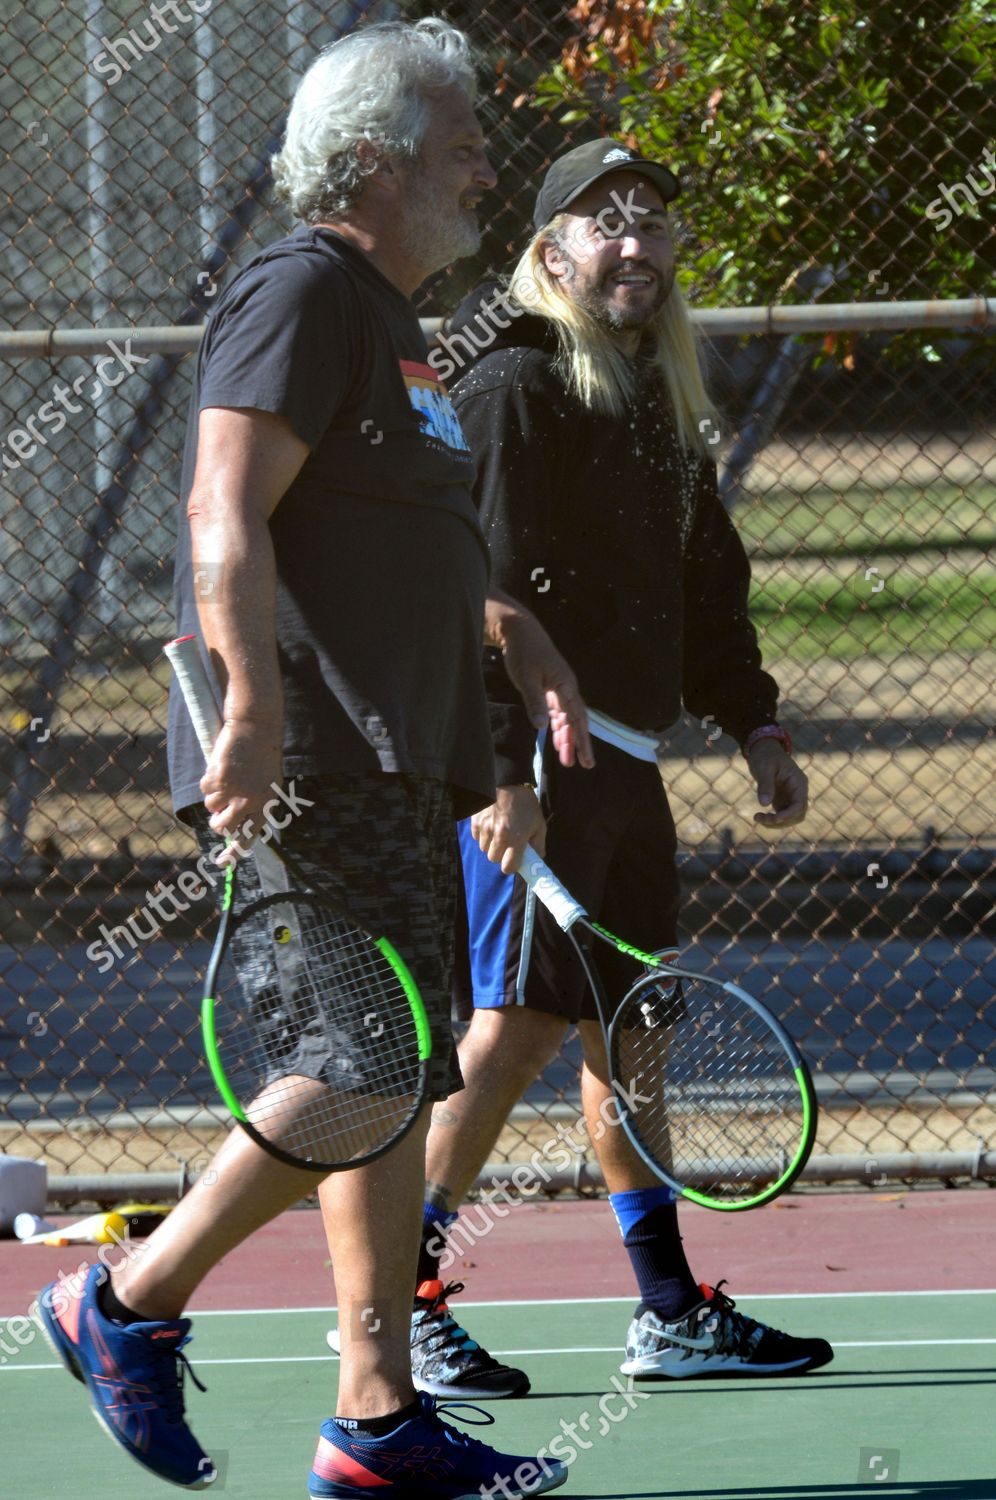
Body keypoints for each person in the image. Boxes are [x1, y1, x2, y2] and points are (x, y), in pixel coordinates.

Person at [34, 23, 584, 1496]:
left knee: (397, 1080)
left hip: (394, 761)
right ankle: (123, 1300)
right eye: (463, 134)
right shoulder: (302, 288)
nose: (486, 159)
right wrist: (254, 716)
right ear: (381, 157)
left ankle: (377, 1419)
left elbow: (380, 542)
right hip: (304, 760)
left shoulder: (393, 329)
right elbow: (225, 511)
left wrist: (500, 642)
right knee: (360, 1063)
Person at [338, 139, 834, 1401]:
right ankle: (404, 1303)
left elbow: (706, 578)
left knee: (635, 1031)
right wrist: (503, 778)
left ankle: (668, 1312)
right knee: (509, 1033)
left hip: (626, 763)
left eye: (655, 224)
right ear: (551, 254)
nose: (636, 243)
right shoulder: (513, 388)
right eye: (604, 222)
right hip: (535, 766)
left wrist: (753, 721)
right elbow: (479, 599)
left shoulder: (656, 400)